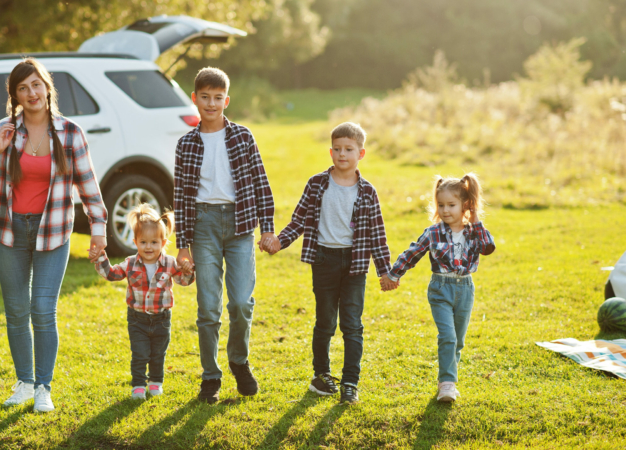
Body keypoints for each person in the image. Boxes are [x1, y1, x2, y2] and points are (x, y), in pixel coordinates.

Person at [0, 57, 107, 412]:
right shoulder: (5, 130)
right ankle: (25, 383)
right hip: (10, 233)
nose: (31, 93)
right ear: (14, 95)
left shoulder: (71, 132)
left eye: (36, 85)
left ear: (47, 88)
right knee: (16, 312)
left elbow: (88, 186)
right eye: (22, 88)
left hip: (53, 232)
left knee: (43, 309)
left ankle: (44, 386)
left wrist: (99, 229)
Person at [270, 122, 394, 404]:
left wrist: (385, 272)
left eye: (348, 149)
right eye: (337, 149)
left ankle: (350, 381)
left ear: (360, 154)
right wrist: (280, 241)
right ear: (330, 151)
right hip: (324, 259)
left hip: (355, 264)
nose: (342, 154)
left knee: (352, 324)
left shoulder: (367, 192)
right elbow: (299, 220)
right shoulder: (316, 184)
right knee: (325, 321)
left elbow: (377, 235)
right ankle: (321, 375)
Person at [173, 67, 276, 403]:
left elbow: (261, 183)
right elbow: (181, 197)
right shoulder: (186, 144)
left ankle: (239, 360)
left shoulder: (243, 137)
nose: (211, 103)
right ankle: (211, 376)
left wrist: (268, 228)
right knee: (207, 308)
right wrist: (183, 245)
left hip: (240, 225)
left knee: (242, 303)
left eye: (218, 98)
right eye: (205, 97)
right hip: (202, 225)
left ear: (226, 100)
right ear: (195, 99)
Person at [382, 173, 495, 402]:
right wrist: (393, 275)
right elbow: (412, 253)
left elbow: (488, 247)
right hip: (440, 288)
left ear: (466, 205)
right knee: (448, 337)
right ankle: (447, 384)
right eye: (441, 205)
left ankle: (449, 379)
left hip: (464, 289)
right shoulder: (433, 232)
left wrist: (475, 219)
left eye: (451, 205)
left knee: (458, 340)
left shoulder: (474, 231)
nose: (445, 210)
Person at [92, 204, 194, 399]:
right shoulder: (130, 263)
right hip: (137, 319)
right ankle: (138, 385)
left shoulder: (171, 263)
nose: (149, 247)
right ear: (135, 242)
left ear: (163, 242)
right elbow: (112, 274)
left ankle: (155, 382)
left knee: (157, 354)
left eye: (154, 242)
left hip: (162, 320)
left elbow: (184, 281)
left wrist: (189, 270)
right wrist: (100, 258)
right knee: (139, 354)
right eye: (144, 242)